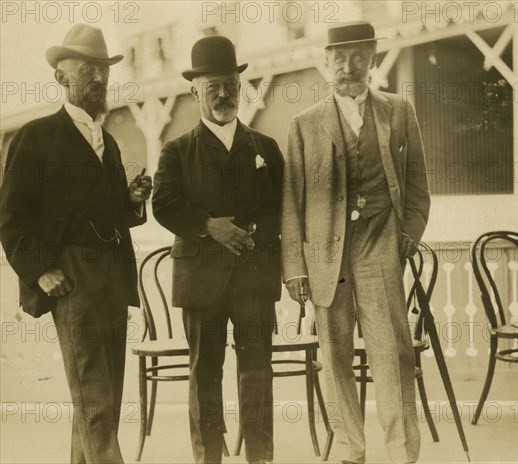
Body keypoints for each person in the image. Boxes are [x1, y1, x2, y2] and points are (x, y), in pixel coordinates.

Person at [0, 24, 152, 463]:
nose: (99, 79)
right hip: (73, 284)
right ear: (61, 78)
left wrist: (132, 201)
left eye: (103, 70)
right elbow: (10, 218)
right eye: (87, 70)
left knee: (98, 399)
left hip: (112, 281)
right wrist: (40, 269)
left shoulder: (108, 142)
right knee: (96, 399)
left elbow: (110, 217)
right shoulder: (36, 137)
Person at [281, 21, 431, 464]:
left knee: (394, 356)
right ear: (326, 62)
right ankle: (350, 450)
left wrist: (408, 236)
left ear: (373, 58)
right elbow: (291, 202)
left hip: (380, 247)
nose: (349, 66)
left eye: (358, 55)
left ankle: (402, 453)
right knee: (335, 357)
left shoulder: (398, 111)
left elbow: (419, 185)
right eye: (339, 57)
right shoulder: (303, 124)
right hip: (325, 256)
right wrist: (295, 267)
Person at [152, 36, 283, 464]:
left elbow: (284, 208)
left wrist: (259, 236)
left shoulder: (266, 149)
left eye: (230, 85)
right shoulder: (176, 150)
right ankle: (208, 457)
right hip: (200, 279)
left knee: (257, 372)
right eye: (213, 88)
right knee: (204, 373)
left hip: (254, 277)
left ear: (241, 86)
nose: (224, 95)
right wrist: (209, 227)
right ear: (195, 93)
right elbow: (164, 205)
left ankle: (260, 456)